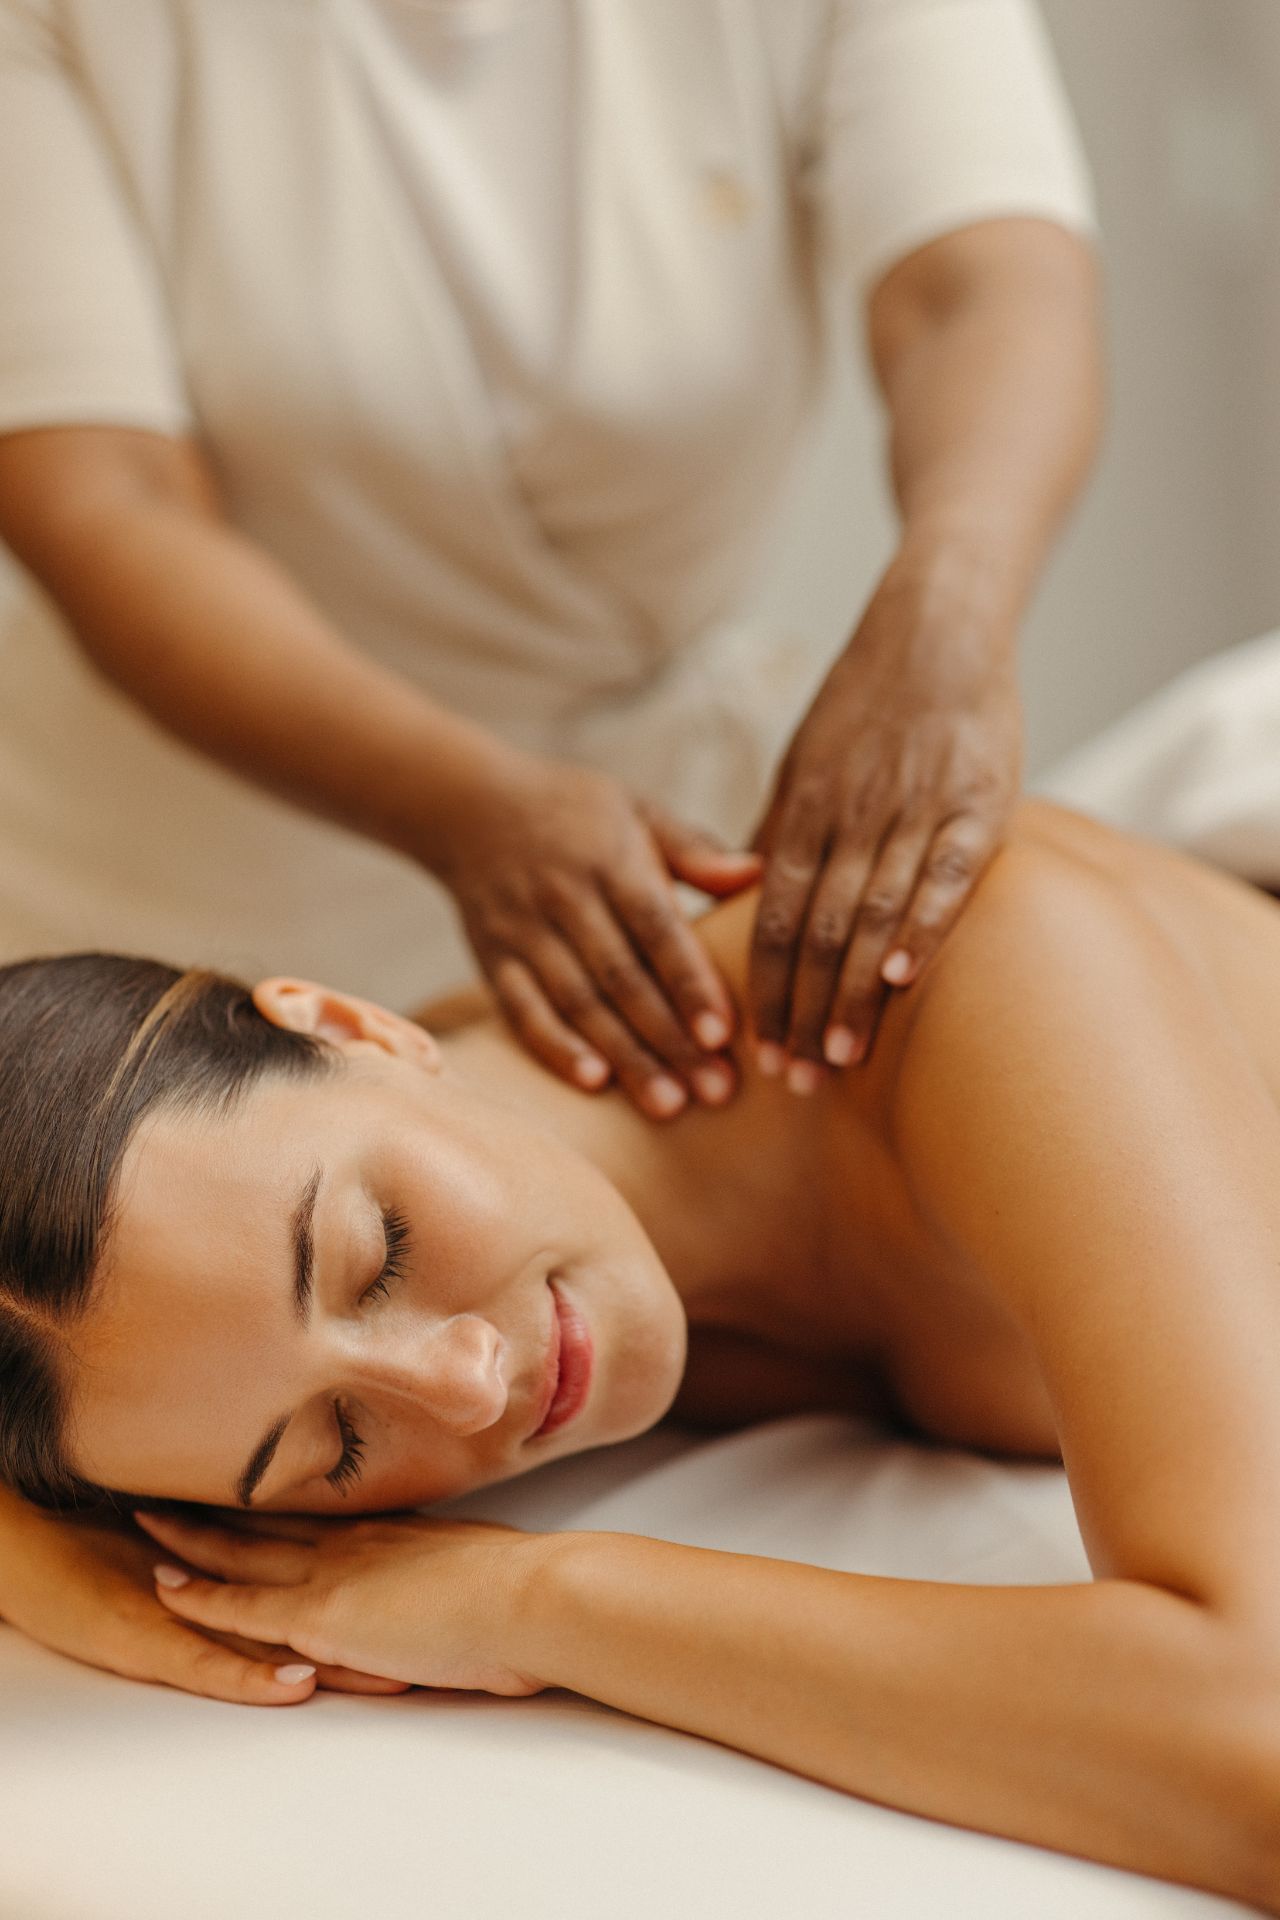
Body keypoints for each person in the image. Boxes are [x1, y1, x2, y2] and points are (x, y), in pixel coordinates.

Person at [4, 798, 1280, 1911]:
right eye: (336, 1444)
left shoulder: (979, 970)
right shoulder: (193, 1333)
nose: (463, 1386)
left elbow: (1252, 1731)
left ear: (357, 1026)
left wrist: (532, 1601)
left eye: (379, 1253)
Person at [0, 0, 1101, 1118]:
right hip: (180, 892)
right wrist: (460, 808)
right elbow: (110, 498)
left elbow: (986, 287)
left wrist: (947, 611)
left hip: (648, 885)